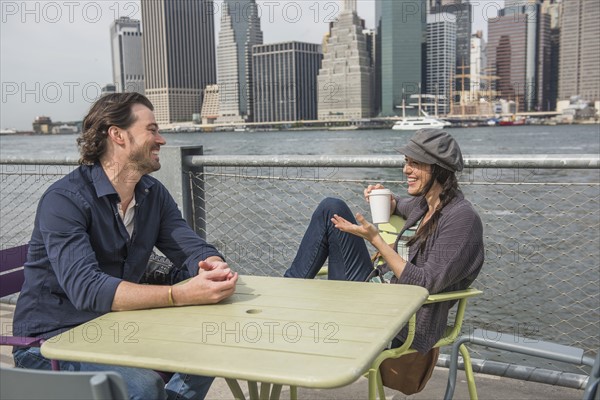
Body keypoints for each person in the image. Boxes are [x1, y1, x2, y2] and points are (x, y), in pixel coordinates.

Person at [12, 93, 238, 400]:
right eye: (152, 130)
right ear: (117, 135)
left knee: (215, 339)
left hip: (117, 328)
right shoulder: (64, 200)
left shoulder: (151, 192)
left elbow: (189, 247)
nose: (161, 140)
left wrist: (211, 264)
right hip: (48, 344)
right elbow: (87, 288)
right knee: (143, 385)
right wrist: (178, 294)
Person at [284, 129, 484, 354]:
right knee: (331, 207)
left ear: (438, 168)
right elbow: (400, 204)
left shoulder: (462, 219)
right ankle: (285, 293)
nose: (406, 169)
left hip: (401, 323)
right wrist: (387, 200)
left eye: (415, 163)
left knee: (308, 313)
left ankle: (284, 305)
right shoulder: (424, 205)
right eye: (406, 161)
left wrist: (376, 240)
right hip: (372, 293)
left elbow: (426, 284)